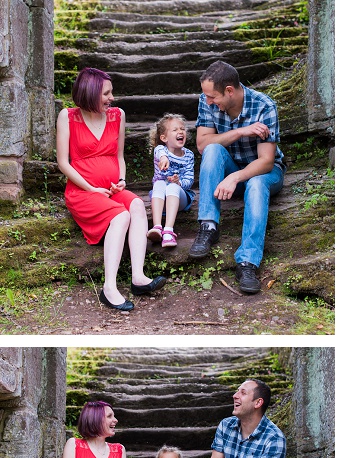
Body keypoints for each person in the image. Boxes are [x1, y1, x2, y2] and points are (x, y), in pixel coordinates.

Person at [56, 67, 166, 311]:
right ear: (90, 92)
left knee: (137, 205)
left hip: (111, 188)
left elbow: (119, 156)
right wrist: (92, 188)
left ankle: (138, 277)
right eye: (106, 93)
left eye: (111, 93)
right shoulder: (68, 117)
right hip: (83, 192)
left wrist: (123, 179)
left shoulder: (118, 115)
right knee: (121, 214)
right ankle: (109, 288)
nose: (111, 98)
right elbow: (63, 163)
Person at [187, 60, 285, 294]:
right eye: (207, 97)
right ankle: (209, 225)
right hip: (231, 168)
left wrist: (235, 178)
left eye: (213, 97)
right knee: (212, 150)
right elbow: (202, 144)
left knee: (257, 183)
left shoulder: (264, 106)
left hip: (264, 174)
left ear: (229, 90)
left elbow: (266, 161)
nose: (208, 101)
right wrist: (241, 131)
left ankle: (247, 262)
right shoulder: (206, 100)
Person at [146, 114, 195, 249]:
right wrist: (164, 159)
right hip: (161, 198)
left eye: (182, 129)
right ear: (164, 138)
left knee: (172, 187)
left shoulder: (189, 155)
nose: (180, 132)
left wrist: (179, 182)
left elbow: (189, 180)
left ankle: (168, 230)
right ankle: (157, 227)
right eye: (175, 130)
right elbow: (160, 153)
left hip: (180, 199)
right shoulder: (160, 150)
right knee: (160, 183)